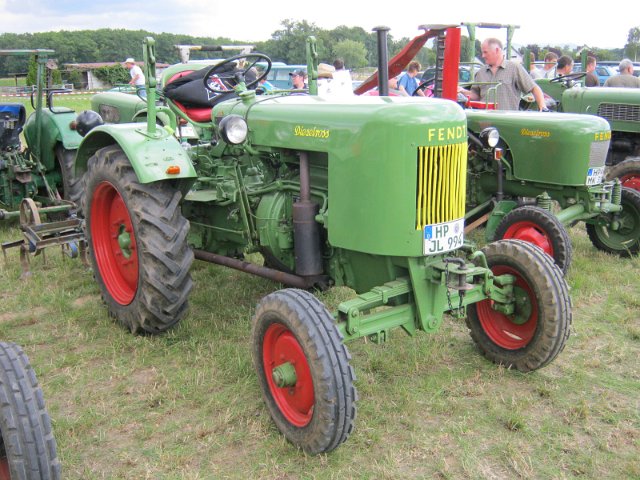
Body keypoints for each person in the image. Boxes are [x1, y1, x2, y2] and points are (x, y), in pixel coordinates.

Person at [458, 38, 547, 111]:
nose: (483, 56)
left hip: (507, 122)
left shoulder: (514, 68)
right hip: (485, 123)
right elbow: (476, 96)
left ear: (497, 50)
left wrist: (542, 107)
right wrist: (461, 91)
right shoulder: (481, 72)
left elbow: (534, 88)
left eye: (485, 52)